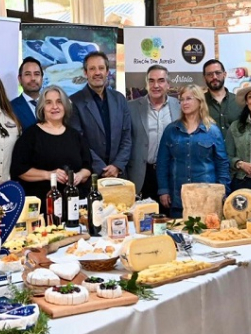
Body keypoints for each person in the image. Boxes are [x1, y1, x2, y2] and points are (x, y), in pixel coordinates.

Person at [156, 84, 231, 219]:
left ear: (200, 101)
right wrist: (163, 190)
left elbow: (222, 163)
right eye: (182, 99)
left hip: (207, 198)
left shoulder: (213, 131)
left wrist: (223, 191)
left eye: (189, 99)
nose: (184, 103)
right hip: (178, 198)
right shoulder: (171, 130)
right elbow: (162, 163)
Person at [11, 86, 92, 202]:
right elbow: (19, 170)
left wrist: (79, 176)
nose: (55, 107)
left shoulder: (75, 136)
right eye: (48, 103)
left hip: (75, 205)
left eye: (59, 102)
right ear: (42, 108)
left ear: (65, 105)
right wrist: (48, 175)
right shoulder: (30, 136)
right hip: (43, 205)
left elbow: (88, 167)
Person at [69, 51, 133, 179]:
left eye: (101, 68)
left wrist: (117, 165)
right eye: (92, 69)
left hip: (119, 174)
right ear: (85, 73)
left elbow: (127, 136)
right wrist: (101, 168)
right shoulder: (75, 102)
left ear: (107, 72)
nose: (97, 72)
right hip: (91, 175)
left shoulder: (119, 99)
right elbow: (78, 141)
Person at [127, 65, 180, 208]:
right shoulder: (131, 107)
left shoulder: (179, 107)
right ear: (146, 84)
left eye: (161, 80)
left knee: (169, 220)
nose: (156, 85)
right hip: (141, 175)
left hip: (169, 175)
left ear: (168, 84)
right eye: (151, 81)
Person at [202, 58, 241, 133]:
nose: (214, 77)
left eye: (218, 73)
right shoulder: (199, 102)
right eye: (209, 74)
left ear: (224, 74)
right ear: (204, 78)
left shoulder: (239, 101)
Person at [11, 57, 44, 129]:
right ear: (20, 79)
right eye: (28, 74)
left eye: (37, 74)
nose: (33, 78)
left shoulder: (52, 106)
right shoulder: (10, 108)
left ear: (42, 78)